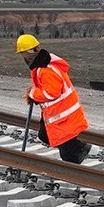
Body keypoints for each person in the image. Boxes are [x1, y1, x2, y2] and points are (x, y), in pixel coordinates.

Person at [16, 33, 92, 164]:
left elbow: (51, 93)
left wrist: (33, 94)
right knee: (45, 135)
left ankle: (76, 167)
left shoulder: (45, 69)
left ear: (25, 54)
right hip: (59, 112)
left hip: (62, 114)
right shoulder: (44, 64)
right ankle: (80, 149)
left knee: (68, 154)